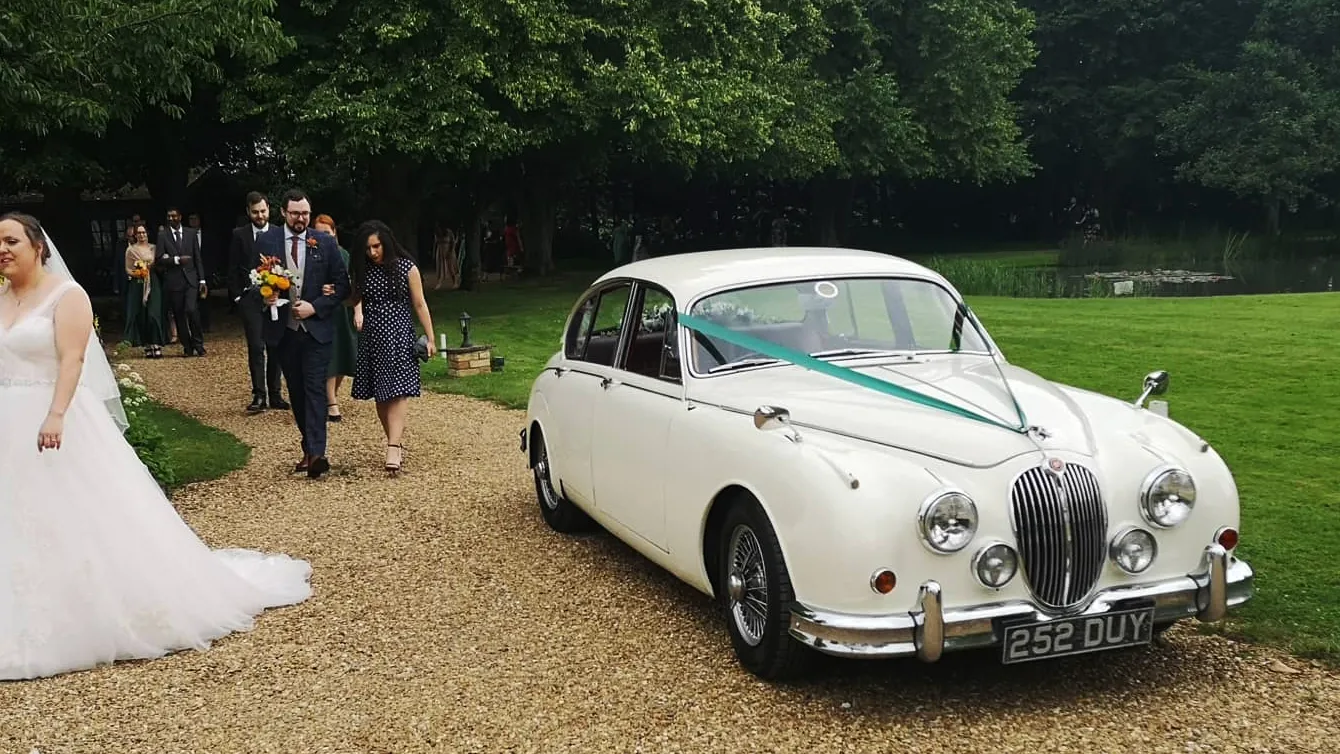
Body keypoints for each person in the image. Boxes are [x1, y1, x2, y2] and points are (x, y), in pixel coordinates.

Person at [0, 211, 312, 681]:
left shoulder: (68, 296)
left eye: (10, 241)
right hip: (8, 418)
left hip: (55, 416)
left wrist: (57, 413)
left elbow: (73, 359)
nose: (2, 250)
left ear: (38, 246)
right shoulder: (3, 299)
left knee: (77, 513)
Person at [256, 190, 351, 479]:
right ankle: (309, 448)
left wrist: (316, 306)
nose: (301, 218)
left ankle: (318, 453)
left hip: (316, 331)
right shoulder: (267, 241)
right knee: (296, 392)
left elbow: (342, 285)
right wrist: (266, 296)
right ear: (284, 213)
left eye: (305, 214)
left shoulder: (323, 242)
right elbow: (253, 279)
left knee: (314, 389)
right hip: (284, 330)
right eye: (296, 213)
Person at [348, 220, 436, 475]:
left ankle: (393, 446)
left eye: (376, 246)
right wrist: (355, 308)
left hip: (398, 335)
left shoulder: (407, 268)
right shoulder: (363, 269)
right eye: (367, 249)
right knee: (381, 394)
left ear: (386, 242)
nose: (373, 252)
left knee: (397, 392)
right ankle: (394, 442)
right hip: (373, 339)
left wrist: (430, 338)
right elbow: (354, 297)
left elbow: (420, 304)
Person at [227, 192, 287, 414]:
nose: (260, 215)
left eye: (263, 211)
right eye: (255, 212)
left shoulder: (279, 234)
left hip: (276, 298)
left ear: (268, 209)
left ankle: (276, 394)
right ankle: (259, 395)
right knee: (255, 346)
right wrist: (238, 298)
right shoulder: (239, 235)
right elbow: (232, 268)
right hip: (250, 299)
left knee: (276, 346)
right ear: (248, 212)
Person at [311, 214, 357, 422]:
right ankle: (331, 403)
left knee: (345, 357)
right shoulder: (311, 256)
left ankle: (331, 396)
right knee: (330, 357)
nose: (324, 237)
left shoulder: (344, 255)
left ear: (334, 233)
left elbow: (354, 284)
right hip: (324, 312)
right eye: (319, 234)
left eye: (327, 233)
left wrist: (358, 309)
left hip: (343, 311)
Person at [156, 207, 207, 356]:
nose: (171, 219)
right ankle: (187, 347)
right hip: (174, 280)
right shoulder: (163, 235)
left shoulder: (191, 234)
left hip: (191, 279)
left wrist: (202, 280)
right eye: (169, 216)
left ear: (180, 217)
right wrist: (176, 260)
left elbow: (197, 258)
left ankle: (199, 343)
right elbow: (159, 259)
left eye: (174, 216)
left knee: (192, 310)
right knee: (179, 315)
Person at [122, 223, 165, 358]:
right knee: (142, 314)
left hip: (153, 281)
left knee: (154, 313)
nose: (142, 235)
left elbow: (159, 263)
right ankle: (147, 344)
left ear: (147, 234)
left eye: (144, 232)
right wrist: (138, 273)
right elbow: (128, 269)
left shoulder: (154, 248)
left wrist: (149, 269)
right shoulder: (131, 250)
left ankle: (156, 343)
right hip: (138, 283)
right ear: (135, 235)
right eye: (139, 233)